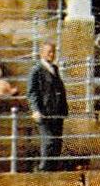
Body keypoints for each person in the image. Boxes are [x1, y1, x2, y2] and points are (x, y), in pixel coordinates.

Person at [27, 41, 69, 170]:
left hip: (57, 112)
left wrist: (64, 108)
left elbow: (59, 89)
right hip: (45, 112)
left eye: (53, 52)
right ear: (42, 53)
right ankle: (43, 170)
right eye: (49, 52)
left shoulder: (54, 69)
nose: (52, 54)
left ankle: (53, 171)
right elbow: (32, 92)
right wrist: (35, 110)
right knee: (49, 141)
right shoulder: (36, 70)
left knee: (57, 143)